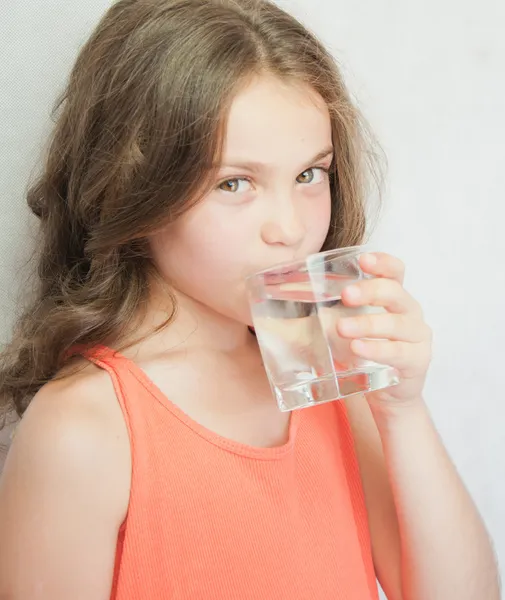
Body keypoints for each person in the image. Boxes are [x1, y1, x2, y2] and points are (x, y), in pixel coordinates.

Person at [0, 0, 500, 598]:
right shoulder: (83, 430)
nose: (289, 228)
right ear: (134, 189)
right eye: (234, 183)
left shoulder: (326, 368)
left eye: (310, 174)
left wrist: (403, 409)